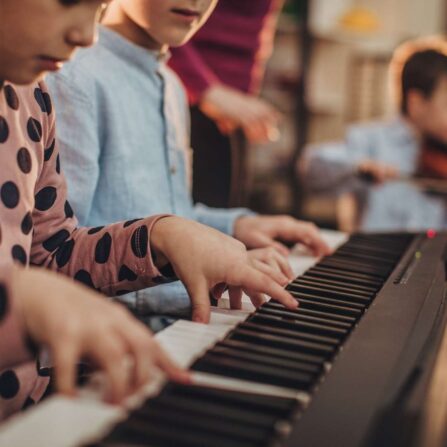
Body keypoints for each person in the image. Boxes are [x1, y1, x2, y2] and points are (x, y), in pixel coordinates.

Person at [0, 0, 298, 419]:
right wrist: (26, 301)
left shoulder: (34, 95)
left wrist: (163, 235)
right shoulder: (70, 75)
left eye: (97, 7)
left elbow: (53, 254)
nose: (87, 35)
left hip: (32, 408)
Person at [46, 0, 331, 317]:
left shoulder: (173, 86)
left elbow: (167, 213)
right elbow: (58, 256)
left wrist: (236, 225)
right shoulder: (71, 78)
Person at [300, 37, 447, 231]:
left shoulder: (439, 152)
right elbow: (312, 165)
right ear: (416, 103)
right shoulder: (371, 139)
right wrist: (358, 167)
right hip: (375, 256)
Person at [168, 0, 284, 207]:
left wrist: (242, 99)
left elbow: (256, 28)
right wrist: (206, 90)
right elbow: (163, 21)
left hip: (229, 107)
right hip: (186, 94)